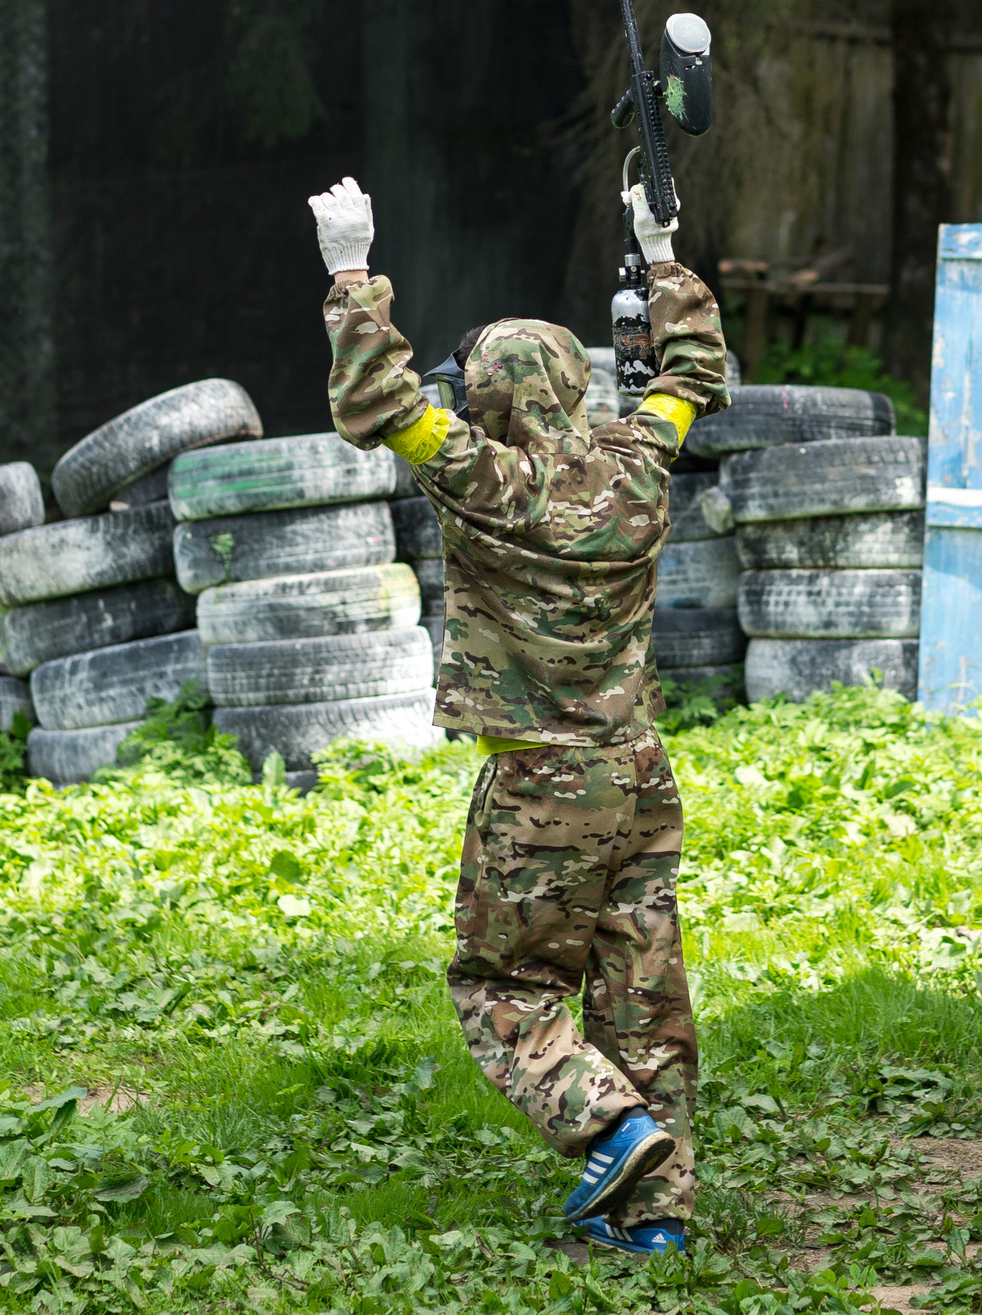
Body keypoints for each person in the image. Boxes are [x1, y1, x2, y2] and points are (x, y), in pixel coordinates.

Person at [309, 174, 730, 1255]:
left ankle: (612, 1124)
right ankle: (659, 1220)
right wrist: (662, 245)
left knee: (503, 984)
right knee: (641, 988)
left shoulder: (483, 480)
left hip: (542, 779)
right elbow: (690, 371)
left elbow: (382, 409)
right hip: (637, 769)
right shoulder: (641, 463)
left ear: (491, 397)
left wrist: (351, 272)